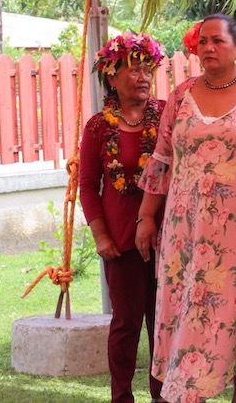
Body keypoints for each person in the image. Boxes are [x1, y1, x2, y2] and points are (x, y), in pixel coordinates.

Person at [135, 14, 236, 403]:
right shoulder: (181, 96)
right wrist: (145, 217)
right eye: (202, 41)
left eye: (217, 41)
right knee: (190, 313)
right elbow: (162, 161)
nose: (208, 48)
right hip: (186, 234)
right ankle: (187, 393)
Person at [79, 32, 166, 403]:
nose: (143, 76)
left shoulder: (167, 116)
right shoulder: (98, 127)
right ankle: (122, 396)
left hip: (167, 239)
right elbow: (87, 187)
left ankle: (164, 395)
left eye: (148, 69)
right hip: (121, 243)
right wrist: (101, 237)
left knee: (163, 324)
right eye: (133, 70)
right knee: (126, 324)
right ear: (111, 77)